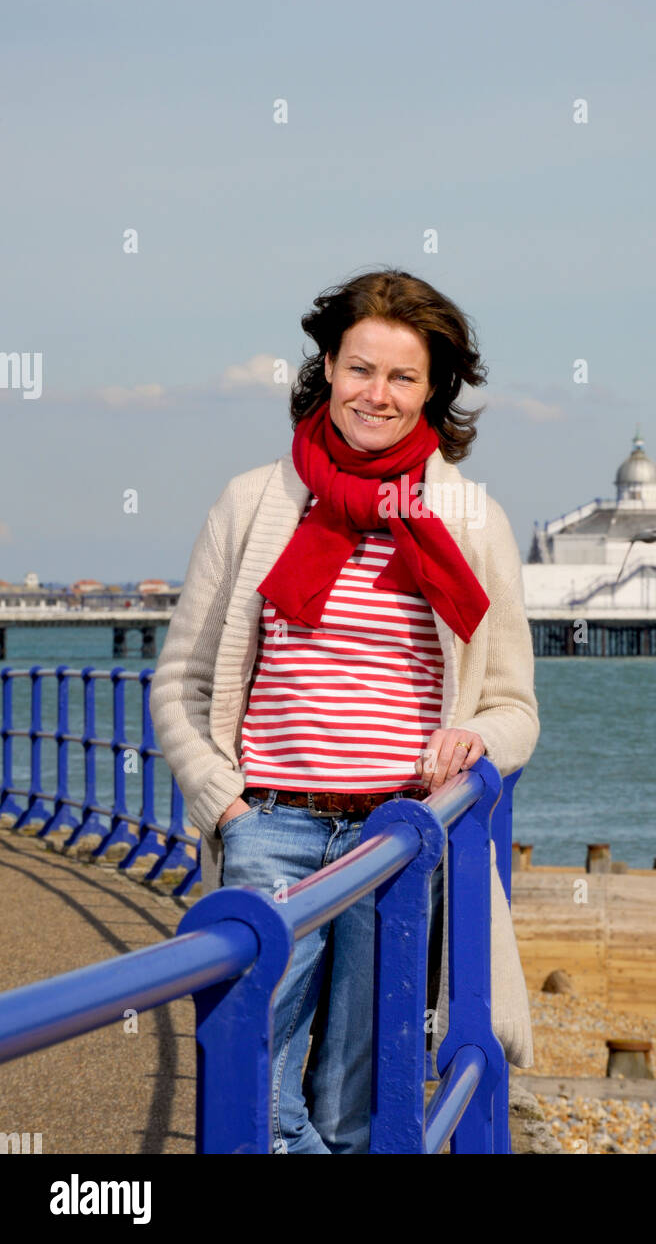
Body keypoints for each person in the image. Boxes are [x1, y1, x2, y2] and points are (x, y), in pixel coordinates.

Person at [149, 267, 540, 1153]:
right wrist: (225, 804)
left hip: (396, 844)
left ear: (434, 388)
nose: (378, 394)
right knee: (254, 1082)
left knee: (359, 1099)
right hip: (272, 831)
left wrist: (474, 733)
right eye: (361, 369)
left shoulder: (471, 520)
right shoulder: (254, 503)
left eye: (403, 377)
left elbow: (515, 705)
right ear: (326, 365)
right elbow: (178, 682)